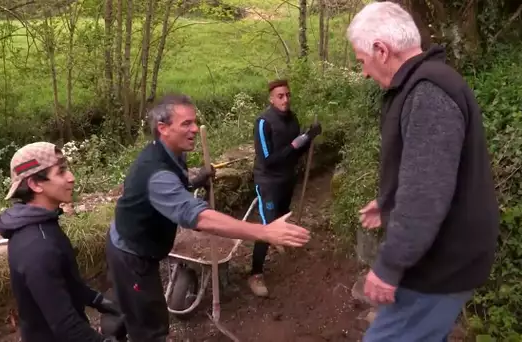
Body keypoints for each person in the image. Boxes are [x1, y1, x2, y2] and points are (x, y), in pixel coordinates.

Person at [346, 2, 499, 341]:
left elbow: (425, 194)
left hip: (441, 264)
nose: (365, 73)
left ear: (381, 50)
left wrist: (388, 267)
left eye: (362, 62)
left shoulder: (428, 93)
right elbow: (426, 170)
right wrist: (387, 201)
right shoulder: (425, 83)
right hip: (446, 256)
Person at [105, 93, 311, 341]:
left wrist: (195, 182)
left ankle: (111, 332)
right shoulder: (156, 173)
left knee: (128, 306)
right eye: (186, 124)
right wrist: (264, 232)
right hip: (132, 256)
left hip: (134, 241)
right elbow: (199, 218)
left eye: (194, 122)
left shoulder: (170, 152)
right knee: (151, 327)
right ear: (163, 128)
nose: (194, 129)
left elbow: (174, 188)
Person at [0, 142, 125, 342]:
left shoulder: (42, 224)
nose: (71, 177)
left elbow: (65, 282)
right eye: (61, 172)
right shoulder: (37, 246)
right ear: (35, 184)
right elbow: (65, 326)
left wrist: (98, 301)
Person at [249, 79, 322, 297]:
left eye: (288, 95)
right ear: (271, 99)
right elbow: (268, 159)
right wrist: (299, 142)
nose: (285, 99)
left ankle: (280, 241)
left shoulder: (292, 119)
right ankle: (255, 274)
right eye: (280, 96)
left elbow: (296, 152)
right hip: (268, 181)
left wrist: (309, 137)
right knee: (266, 225)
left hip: (287, 179)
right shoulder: (263, 122)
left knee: (282, 215)